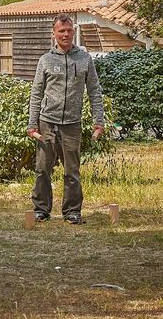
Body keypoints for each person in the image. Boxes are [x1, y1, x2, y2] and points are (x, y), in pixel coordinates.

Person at [28, 14, 105, 224]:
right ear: (53, 33)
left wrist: (99, 121)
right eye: (61, 31)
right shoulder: (45, 60)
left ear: (74, 32)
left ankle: (72, 211)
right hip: (47, 122)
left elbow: (94, 91)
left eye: (69, 30)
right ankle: (41, 209)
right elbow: (36, 93)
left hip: (72, 124)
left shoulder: (84, 59)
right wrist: (32, 124)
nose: (65, 34)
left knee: (72, 170)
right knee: (43, 168)